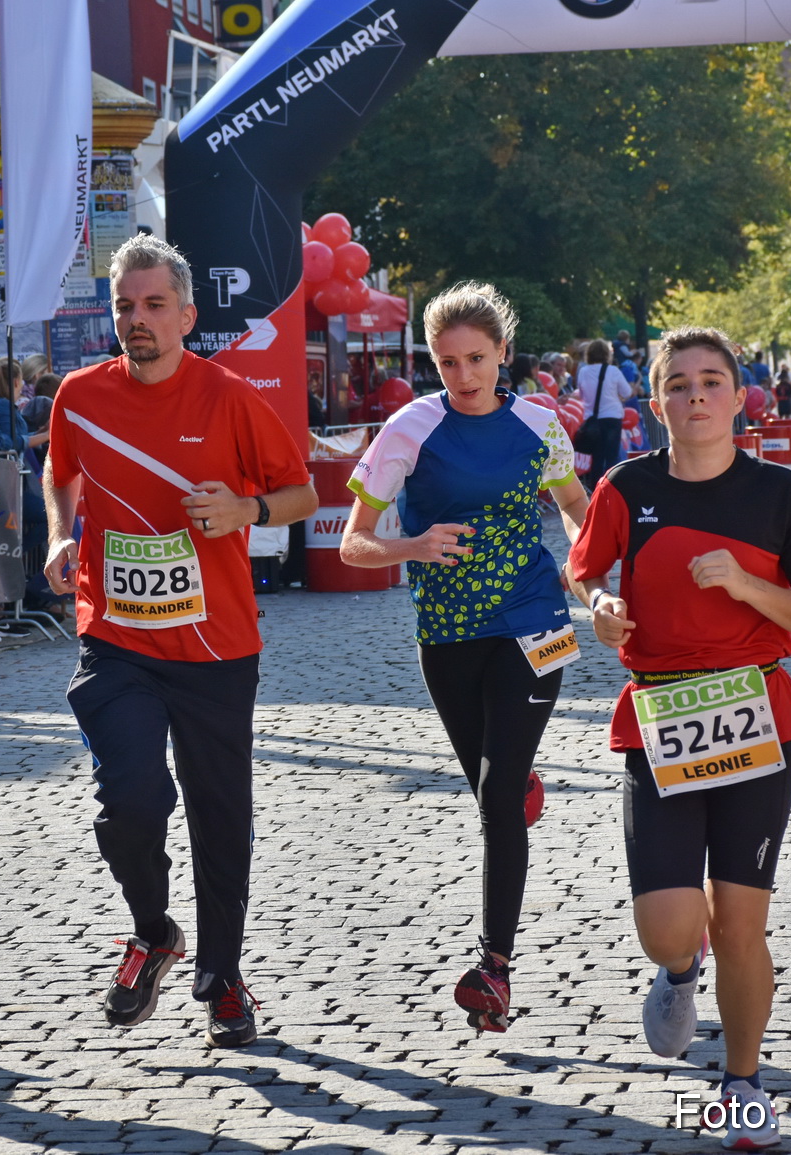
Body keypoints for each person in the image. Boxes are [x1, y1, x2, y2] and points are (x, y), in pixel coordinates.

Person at [568, 325, 791, 1152]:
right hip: (660, 719)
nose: (696, 396)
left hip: (756, 718)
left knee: (740, 924)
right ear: (656, 402)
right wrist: (599, 606)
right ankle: (676, 971)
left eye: (712, 381)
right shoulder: (626, 486)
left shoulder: (777, 495)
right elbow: (584, 567)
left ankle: (744, 1082)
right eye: (680, 384)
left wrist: (745, 582)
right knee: (669, 924)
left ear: (738, 396)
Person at [42, 233, 317, 1048]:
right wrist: (62, 536)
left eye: (155, 305)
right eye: (125, 306)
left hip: (216, 645)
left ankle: (223, 974)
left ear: (187, 314)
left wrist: (245, 512)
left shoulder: (228, 396)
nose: (138, 320)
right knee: (131, 798)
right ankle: (154, 929)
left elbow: (299, 491)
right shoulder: (80, 396)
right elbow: (64, 473)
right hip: (118, 640)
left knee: (219, 814)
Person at [337, 282, 589, 1034]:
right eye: (447, 362)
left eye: (476, 358)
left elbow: (577, 509)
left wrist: (594, 566)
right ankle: (517, 779)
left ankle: (494, 969)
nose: (464, 375)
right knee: (494, 786)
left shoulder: (540, 425)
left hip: (533, 620)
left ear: (503, 354)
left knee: (496, 794)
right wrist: (412, 545)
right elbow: (353, 542)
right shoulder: (408, 428)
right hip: (446, 633)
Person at [578, 338, 635, 488]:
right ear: (606, 354)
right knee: (611, 457)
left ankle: (595, 490)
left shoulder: (583, 371)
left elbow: (582, 396)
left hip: (593, 419)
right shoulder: (613, 371)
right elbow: (627, 392)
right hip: (612, 417)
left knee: (597, 457)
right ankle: (612, 487)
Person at [0, 357, 33, 451]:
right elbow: (13, 442)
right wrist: (46, 435)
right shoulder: (3, 405)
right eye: (22, 380)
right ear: (16, 382)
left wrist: (40, 433)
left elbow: (19, 436)